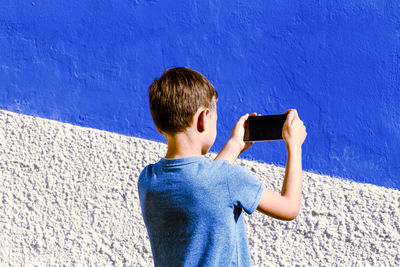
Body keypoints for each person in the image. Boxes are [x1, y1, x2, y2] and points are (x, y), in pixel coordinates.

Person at [138, 67, 307, 266]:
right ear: (203, 118)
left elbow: (205, 188)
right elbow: (289, 207)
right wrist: (294, 145)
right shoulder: (228, 179)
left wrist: (235, 145)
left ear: (158, 126)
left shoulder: (148, 180)